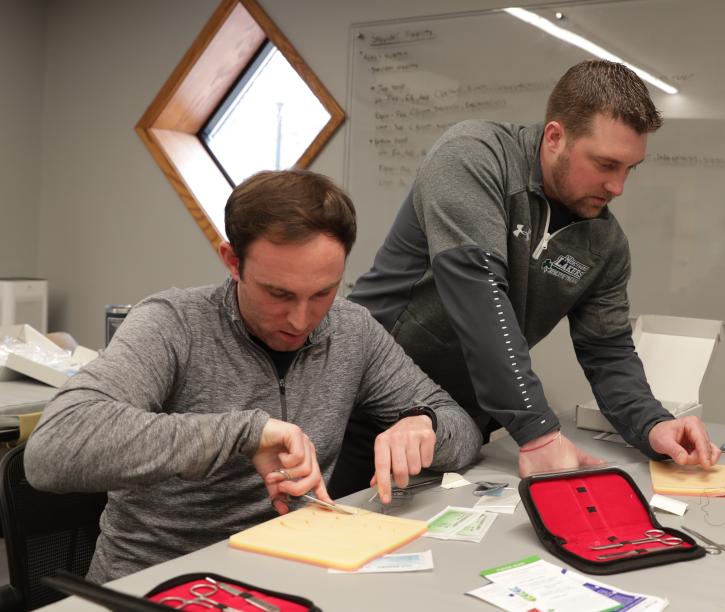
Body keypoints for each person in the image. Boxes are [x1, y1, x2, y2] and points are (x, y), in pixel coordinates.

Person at [24, 169, 481, 582]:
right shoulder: (172, 324)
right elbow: (53, 449)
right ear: (232, 260)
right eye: (278, 293)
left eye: (322, 292)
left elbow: (462, 430)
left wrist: (425, 424)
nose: (301, 320)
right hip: (156, 586)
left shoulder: (352, 330)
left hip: (284, 577)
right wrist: (247, 432)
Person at [330, 59, 719, 495]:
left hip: (455, 424)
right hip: (367, 403)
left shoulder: (605, 244)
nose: (618, 187)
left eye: (630, 169)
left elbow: (607, 351)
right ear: (555, 137)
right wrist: (538, 431)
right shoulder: (475, 157)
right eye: (606, 165)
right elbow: (478, 291)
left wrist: (653, 424)